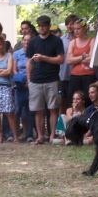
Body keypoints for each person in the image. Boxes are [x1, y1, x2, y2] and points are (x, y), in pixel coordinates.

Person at [26, 15, 64, 144]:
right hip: (35, 80)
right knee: (38, 110)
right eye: (40, 26)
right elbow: (29, 62)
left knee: (53, 109)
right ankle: (40, 136)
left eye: (44, 25)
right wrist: (28, 79)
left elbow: (60, 59)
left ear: (48, 26)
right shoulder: (33, 42)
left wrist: (43, 58)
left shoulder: (56, 41)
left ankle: (52, 135)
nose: (42, 28)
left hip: (52, 79)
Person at [67, 18, 97, 106]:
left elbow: (91, 58)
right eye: (74, 29)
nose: (76, 31)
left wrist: (75, 59)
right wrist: (83, 56)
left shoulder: (92, 40)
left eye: (78, 28)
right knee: (73, 100)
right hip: (75, 75)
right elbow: (68, 60)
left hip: (88, 75)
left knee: (88, 100)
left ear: (85, 28)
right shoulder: (72, 42)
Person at [59, 14, 79, 113]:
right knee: (63, 100)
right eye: (68, 24)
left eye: (72, 24)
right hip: (63, 74)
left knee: (75, 99)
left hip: (77, 74)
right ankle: (62, 122)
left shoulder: (80, 39)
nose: (69, 26)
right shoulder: (61, 40)